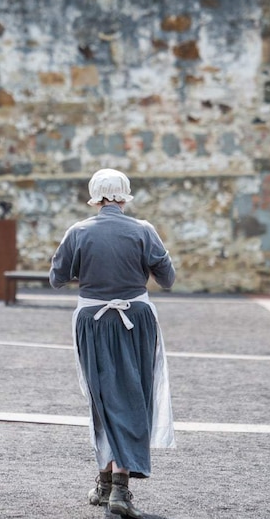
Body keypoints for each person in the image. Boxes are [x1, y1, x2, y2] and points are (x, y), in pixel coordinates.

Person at [49, 168, 176, 518]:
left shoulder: (78, 232)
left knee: (101, 397)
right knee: (134, 394)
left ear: (95, 196)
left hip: (92, 319)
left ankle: (105, 482)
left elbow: (56, 278)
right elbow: (167, 278)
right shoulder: (144, 231)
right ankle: (119, 486)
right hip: (136, 317)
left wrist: (87, 269)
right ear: (124, 196)